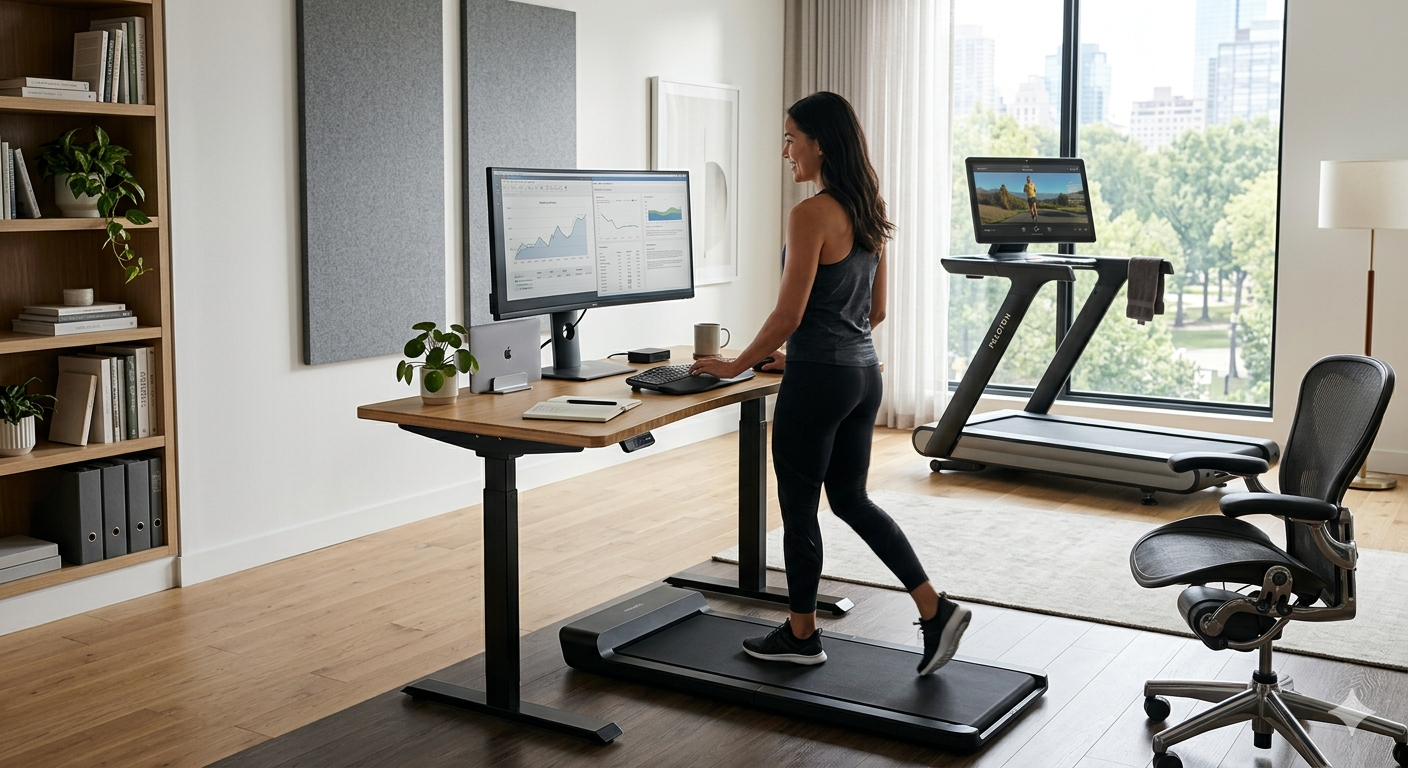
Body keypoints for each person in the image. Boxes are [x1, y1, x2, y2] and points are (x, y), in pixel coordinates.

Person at [689, 92, 971, 676]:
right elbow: (877, 311)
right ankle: (933, 607)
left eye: (791, 138)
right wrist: (805, 356)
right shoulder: (869, 210)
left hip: (821, 382)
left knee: (799, 509)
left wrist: (735, 364)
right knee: (849, 499)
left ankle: (801, 636)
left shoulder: (810, 214)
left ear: (820, 141)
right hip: (861, 374)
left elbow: (787, 315)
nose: (785, 150)